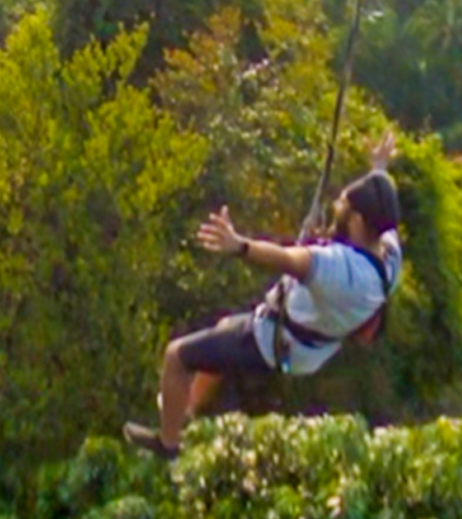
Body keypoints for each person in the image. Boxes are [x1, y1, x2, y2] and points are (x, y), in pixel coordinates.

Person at [140, 136, 404, 457]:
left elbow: (284, 259)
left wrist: (239, 245)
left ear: (359, 220)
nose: (337, 206)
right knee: (224, 329)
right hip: (311, 347)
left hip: (272, 341)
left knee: (176, 357)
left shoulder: (339, 270)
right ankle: (187, 414)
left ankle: (167, 446)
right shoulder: (389, 257)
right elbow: (383, 215)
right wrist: (378, 168)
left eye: (343, 206)